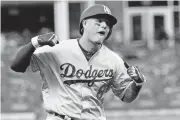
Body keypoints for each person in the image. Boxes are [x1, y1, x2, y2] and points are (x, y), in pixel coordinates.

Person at [11, 4, 146, 120]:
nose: (104, 26)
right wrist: (35, 42)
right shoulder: (58, 50)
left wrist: (137, 84)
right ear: (84, 24)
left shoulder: (113, 59)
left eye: (108, 24)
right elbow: (16, 66)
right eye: (99, 21)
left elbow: (126, 97)